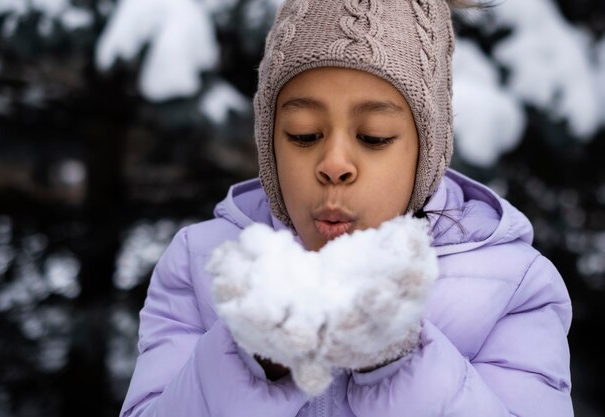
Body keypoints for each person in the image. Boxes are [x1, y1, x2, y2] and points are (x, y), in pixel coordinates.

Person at [119, 0, 574, 416]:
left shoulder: (513, 288)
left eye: (374, 136)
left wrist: (400, 359)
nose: (334, 164)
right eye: (303, 134)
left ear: (426, 151)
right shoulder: (201, 265)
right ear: (270, 144)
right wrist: (247, 354)